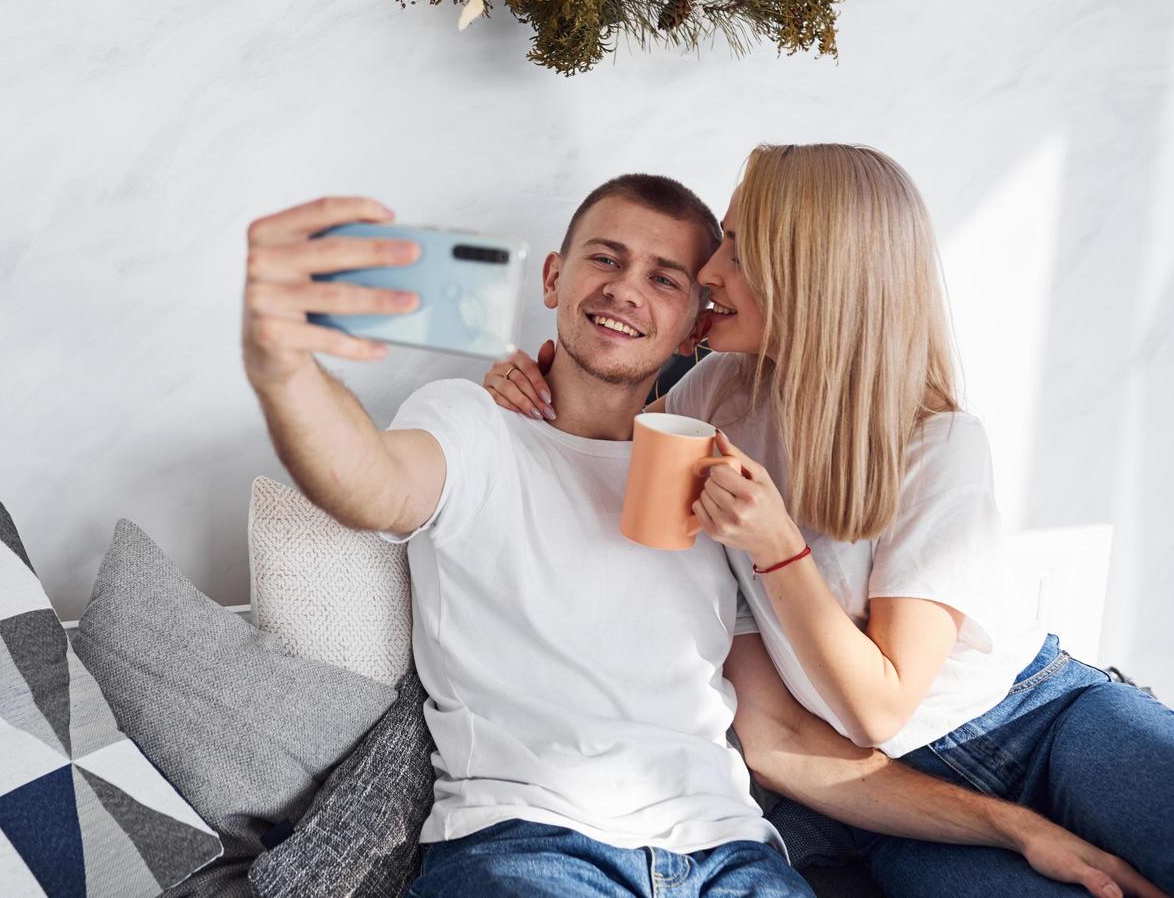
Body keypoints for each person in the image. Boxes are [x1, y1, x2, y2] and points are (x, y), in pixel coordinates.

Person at [242, 180, 1158, 897]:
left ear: (692, 323)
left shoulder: (726, 466)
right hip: (547, 839)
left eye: (669, 278)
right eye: (604, 260)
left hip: (786, 829)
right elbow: (369, 483)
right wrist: (283, 364)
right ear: (555, 277)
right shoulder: (477, 422)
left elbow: (822, 720)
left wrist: (1014, 824)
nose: (627, 292)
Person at [484, 147, 1174, 895]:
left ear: (810, 274)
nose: (711, 271)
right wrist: (535, 391)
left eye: (741, 249)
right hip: (883, 796)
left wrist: (779, 550)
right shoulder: (720, 391)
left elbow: (881, 705)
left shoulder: (938, 444)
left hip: (1039, 723)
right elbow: (605, 453)